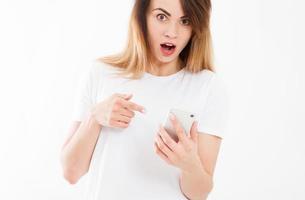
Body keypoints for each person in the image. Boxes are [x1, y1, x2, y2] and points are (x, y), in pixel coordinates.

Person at [60, 0, 229, 199]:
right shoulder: (100, 73)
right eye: (161, 17)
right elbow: (71, 173)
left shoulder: (207, 86)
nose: (172, 33)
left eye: (185, 21)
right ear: (142, 18)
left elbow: (199, 194)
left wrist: (189, 164)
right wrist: (94, 118)